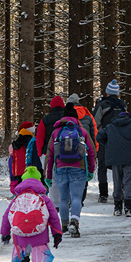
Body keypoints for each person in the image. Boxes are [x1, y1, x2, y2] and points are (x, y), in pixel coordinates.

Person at [0, 165, 63, 262]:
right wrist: (57, 233)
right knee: (38, 260)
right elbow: (53, 217)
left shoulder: (17, 199)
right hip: (38, 236)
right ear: (39, 182)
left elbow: (7, 217)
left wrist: (4, 233)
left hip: (20, 237)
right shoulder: (44, 199)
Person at [45, 101, 96, 238]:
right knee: (76, 198)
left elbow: (50, 155)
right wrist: (91, 170)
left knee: (63, 199)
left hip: (60, 169)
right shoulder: (81, 131)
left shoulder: (56, 132)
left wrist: (48, 175)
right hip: (78, 168)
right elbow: (91, 152)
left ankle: (65, 225)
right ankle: (75, 222)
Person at [97, 108, 131, 216]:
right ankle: (128, 208)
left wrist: (108, 144)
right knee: (128, 182)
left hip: (115, 159)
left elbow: (99, 136)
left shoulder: (110, 126)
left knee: (117, 182)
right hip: (129, 158)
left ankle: (117, 207)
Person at [91, 79, 126, 202]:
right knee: (119, 166)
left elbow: (95, 123)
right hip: (120, 140)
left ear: (107, 92)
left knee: (102, 166)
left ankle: (103, 194)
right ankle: (120, 191)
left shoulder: (101, 105)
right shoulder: (123, 106)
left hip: (104, 140)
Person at [66, 93, 98, 207]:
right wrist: (94, 150)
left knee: (69, 171)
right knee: (83, 172)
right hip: (85, 148)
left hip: (68, 148)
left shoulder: (65, 115)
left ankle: (69, 198)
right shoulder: (88, 116)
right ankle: (80, 198)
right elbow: (94, 134)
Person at [35, 95, 65, 207]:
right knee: (65, 177)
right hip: (65, 152)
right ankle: (65, 201)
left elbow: (40, 138)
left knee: (51, 178)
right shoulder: (68, 118)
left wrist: (40, 153)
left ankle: (55, 204)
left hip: (48, 153)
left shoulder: (45, 120)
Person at [9, 121, 43, 193]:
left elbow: (14, 159)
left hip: (18, 171)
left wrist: (14, 172)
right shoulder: (30, 141)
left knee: (21, 191)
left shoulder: (16, 142)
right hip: (28, 170)